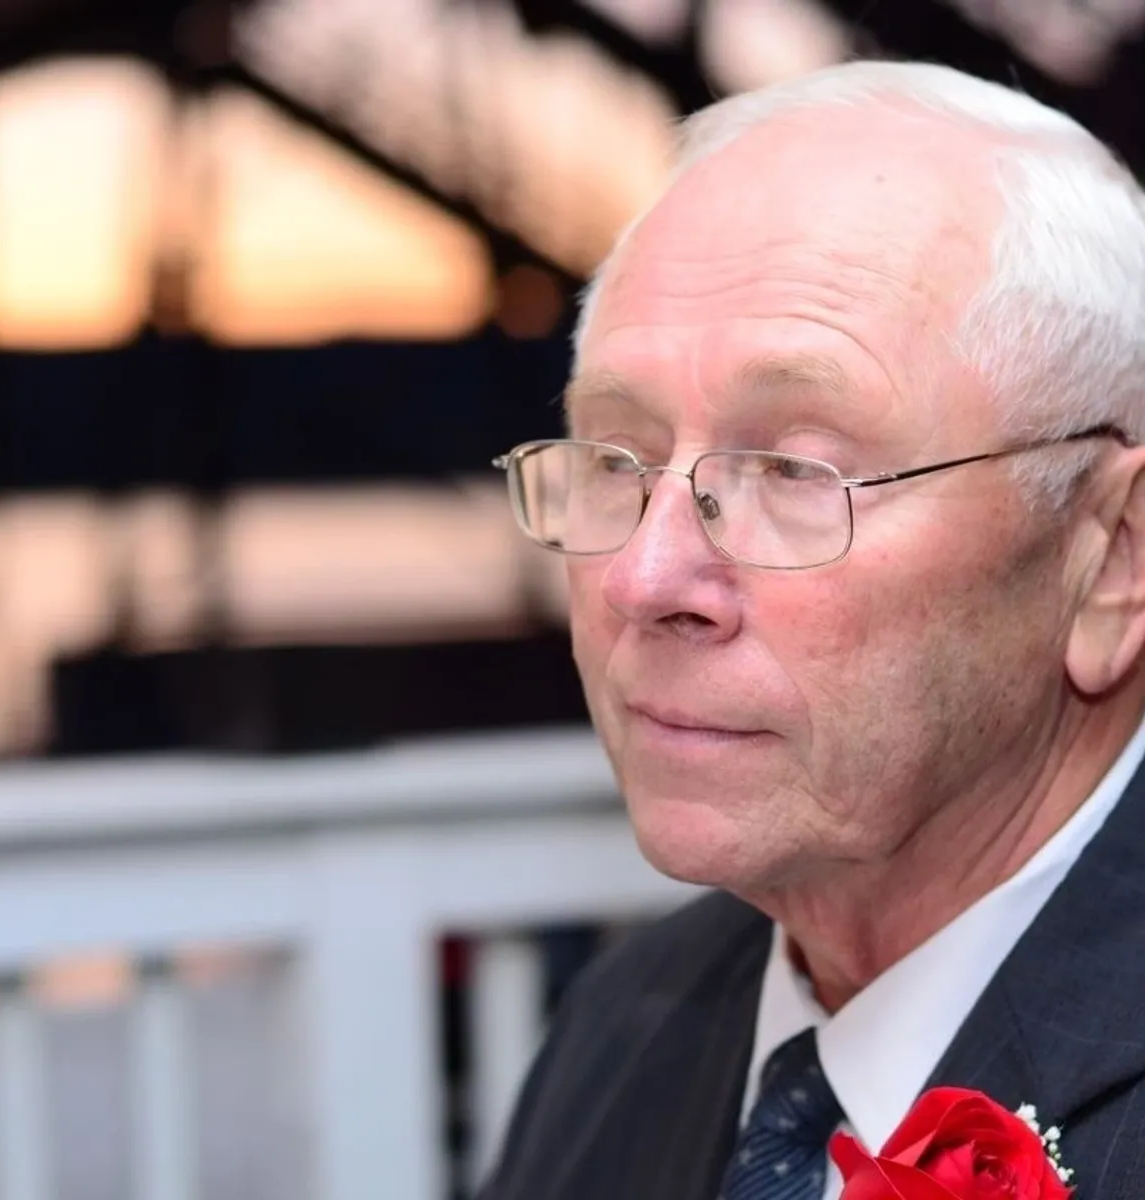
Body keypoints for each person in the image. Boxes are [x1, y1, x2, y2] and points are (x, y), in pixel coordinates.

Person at [482, 59, 1145, 1200]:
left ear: (1112, 559)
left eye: (794, 469)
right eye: (615, 457)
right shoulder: (625, 1028)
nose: (643, 575)